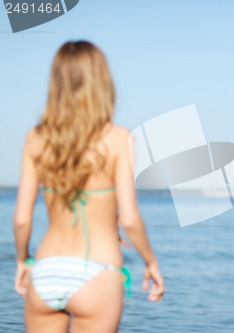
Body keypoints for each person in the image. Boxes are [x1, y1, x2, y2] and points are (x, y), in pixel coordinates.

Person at [13, 41, 165, 333]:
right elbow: (130, 219)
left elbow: (22, 218)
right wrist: (151, 262)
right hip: (98, 272)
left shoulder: (36, 138)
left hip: (45, 270)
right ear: (102, 82)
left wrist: (22, 261)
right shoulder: (118, 138)